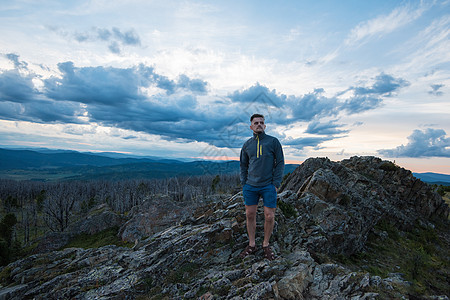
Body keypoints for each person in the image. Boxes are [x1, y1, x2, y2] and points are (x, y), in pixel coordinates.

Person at [239, 113, 285, 260]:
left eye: (261, 122)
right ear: (251, 126)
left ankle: (265, 244)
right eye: (256, 123)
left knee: (269, 216)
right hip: (250, 186)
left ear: (265, 126)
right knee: (249, 214)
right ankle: (252, 244)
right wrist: (244, 183)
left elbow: (280, 163)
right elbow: (243, 165)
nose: (259, 124)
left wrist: (276, 184)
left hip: (268, 186)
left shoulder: (273, 142)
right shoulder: (247, 145)